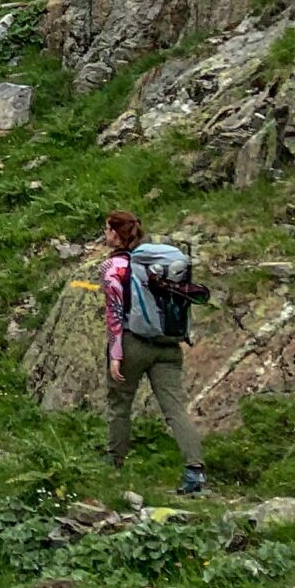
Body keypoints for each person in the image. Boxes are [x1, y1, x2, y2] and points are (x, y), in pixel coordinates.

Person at [101, 210, 206, 495]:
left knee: (120, 403)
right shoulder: (157, 262)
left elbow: (115, 314)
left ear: (114, 233)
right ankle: (195, 472)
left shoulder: (115, 266)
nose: (104, 235)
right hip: (169, 346)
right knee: (175, 410)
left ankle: (114, 464)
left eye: (107, 229)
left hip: (133, 343)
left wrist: (116, 353)